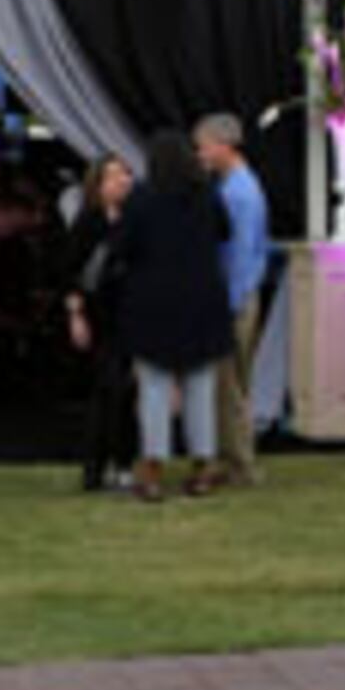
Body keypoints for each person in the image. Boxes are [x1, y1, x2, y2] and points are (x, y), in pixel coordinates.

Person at [115, 128, 236, 501]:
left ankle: (152, 470)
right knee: (201, 387)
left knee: (154, 387)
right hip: (203, 302)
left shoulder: (141, 199)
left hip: (153, 304)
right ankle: (203, 467)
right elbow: (225, 232)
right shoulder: (207, 195)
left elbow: (123, 247)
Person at [193, 114, 271, 485]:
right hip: (240, 295)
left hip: (234, 298)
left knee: (230, 385)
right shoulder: (241, 186)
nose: (200, 155)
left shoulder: (237, 193)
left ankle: (240, 463)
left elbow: (238, 257)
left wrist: (229, 304)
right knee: (230, 383)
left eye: (204, 147)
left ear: (224, 145)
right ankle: (231, 459)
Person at [60, 153, 138, 492]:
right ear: (99, 184)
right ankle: (98, 466)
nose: (122, 180)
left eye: (126, 174)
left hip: (132, 316)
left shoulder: (135, 219)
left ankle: (122, 463)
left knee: (125, 392)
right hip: (100, 317)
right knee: (108, 390)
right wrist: (75, 315)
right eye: (114, 175)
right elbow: (69, 272)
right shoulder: (88, 223)